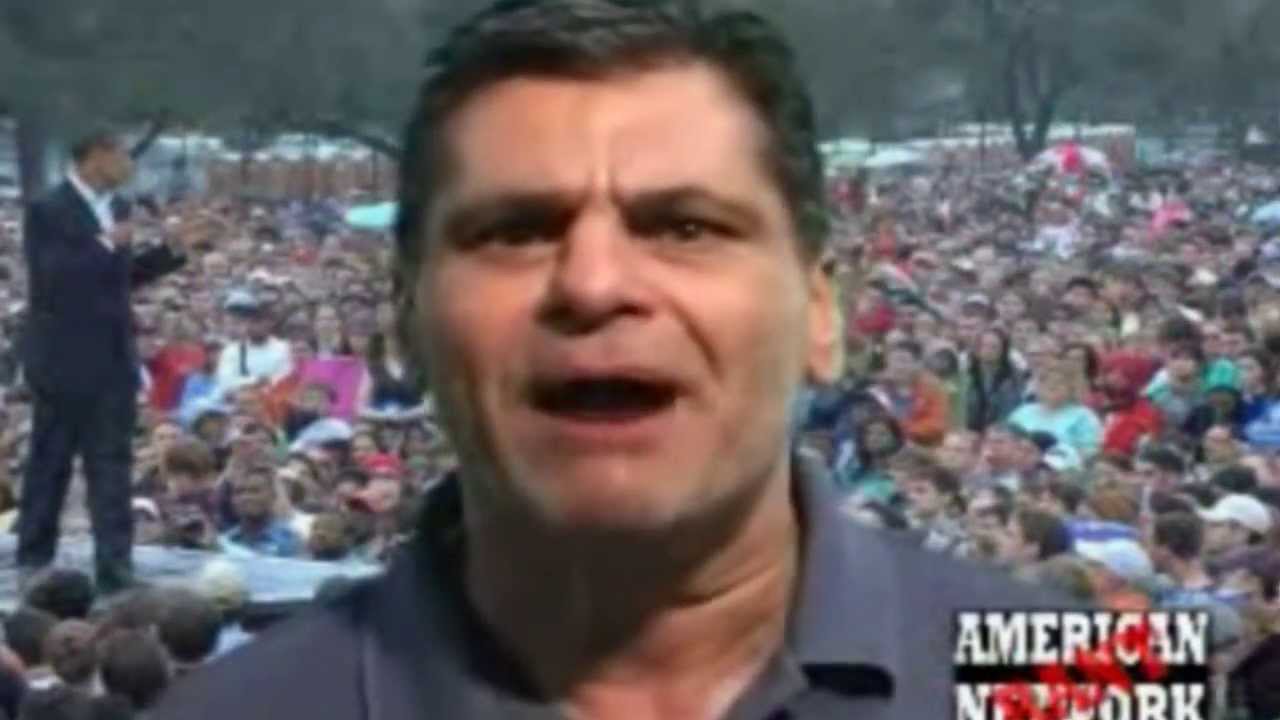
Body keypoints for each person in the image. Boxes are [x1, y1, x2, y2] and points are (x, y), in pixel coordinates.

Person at [152, 2, 1066, 718]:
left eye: (686, 226)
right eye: (516, 230)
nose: (594, 284)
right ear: (406, 320)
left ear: (822, 311)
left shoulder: (1069, 679)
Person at [18, 129, 188, 594]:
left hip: (113, 359)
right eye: (122, 156)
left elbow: (117, 280)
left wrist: (170, 253)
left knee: (111, 466)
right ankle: (34, 558)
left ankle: (116, 567)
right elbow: (50, 277)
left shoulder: (118, 207)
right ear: (95, 156)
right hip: (62, 359)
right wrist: (105, 244)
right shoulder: (48, 208)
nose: (129, 167)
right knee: (50, 461)